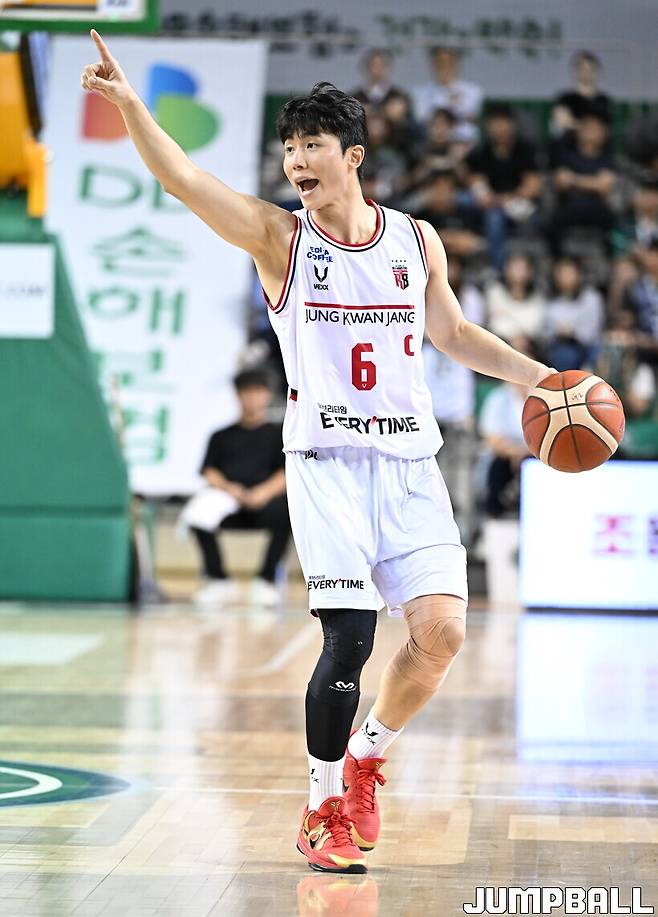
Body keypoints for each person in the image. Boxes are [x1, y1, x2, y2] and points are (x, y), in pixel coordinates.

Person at [81, 34, 554, 875]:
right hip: (326, 464)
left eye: (311, 146)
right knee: (350, 637)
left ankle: (367, 755)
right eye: (289, 148)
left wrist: (539, 377)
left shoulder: (416, 240)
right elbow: (183, 180)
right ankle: (320, 807)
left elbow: (451, 333)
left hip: (410, 467)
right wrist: (130, 105)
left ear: (353, 156)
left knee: (443, 632)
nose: (296, 161)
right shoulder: (280, 239)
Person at [191, 369, 290, 608]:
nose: (252, 398)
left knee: (288, 513)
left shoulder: (280, 434)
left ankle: (266, 580)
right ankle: (218, 580)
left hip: (265, 501)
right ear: (237, 395)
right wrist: (230, 489)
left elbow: (287, 471)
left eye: (258, 392)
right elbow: (209, 471)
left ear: (267, 395)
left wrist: (262, 493)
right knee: (196, 515)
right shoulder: (221, 436)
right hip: (229, 501)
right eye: (247, 392)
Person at [464, 103, 541, 271]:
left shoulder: (525, 150)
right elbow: (478, 184)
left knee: (494, 218)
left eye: (502, 122)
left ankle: (496, 270)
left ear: (512, 125)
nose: (498, 128)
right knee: (461, 199)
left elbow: (532, 186)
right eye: (494, 123)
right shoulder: (482, 152)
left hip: (519, 204)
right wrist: (488, 198)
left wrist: (506, 198)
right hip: (492, 203)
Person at [550, 109, 617, 251]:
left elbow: (605, 186)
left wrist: (574, 180)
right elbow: (561, 182)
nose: (591, 133)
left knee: (614, 220)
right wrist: (592, 183)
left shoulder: (608, 158)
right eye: (588, 129)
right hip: (568, 208)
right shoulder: (567, 156)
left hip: (599, 209)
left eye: (596, 129)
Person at [412, 46, 483, 144]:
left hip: (464, 142)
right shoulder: (420, 92)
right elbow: (422, 118)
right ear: (433, 65)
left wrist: (455, 106)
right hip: (431, 143)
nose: (444, 67)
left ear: (456, 64)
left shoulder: (472, 90)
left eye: (449, 62)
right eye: (440, 63)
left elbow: (472, 117)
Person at [544, 256, 604, 371]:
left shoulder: (591, 298)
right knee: (564, 354)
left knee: (597, 350)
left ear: (579, 275)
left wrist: (572, 331)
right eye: (562, 273)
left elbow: (592, 333)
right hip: (561, 347)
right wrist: (558, 332)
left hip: (588, 348)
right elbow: (546, 333)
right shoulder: (551, 302)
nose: (565, 278)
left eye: (569, 273)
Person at [414, 170, 486, 263]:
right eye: (438, 190)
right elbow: (420, 243)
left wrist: (451, 240)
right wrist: (449, 239)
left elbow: (477, 240)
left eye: (447, 189)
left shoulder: (466, 213)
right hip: (432, 263)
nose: (443, 195)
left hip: (466, 262)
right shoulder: (421, 217)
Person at [485, 252, 546, 342]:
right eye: (514, 267)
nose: (517, 272)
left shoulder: (537, 298)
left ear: (530, 272)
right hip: (498, 342)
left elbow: (534, 327)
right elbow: (495, 324)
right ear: (506, 270)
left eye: (521, 268)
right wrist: (512, 336)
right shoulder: (495, 293)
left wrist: (508, 316)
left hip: (529, 343)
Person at [552, 51, 612, 137]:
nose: (586, 73)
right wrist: (589, 129)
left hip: (598, 144)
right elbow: (561, 122)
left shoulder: (603, 100)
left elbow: (606, 128)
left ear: (597, 72)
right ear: (574, 71)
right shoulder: (564, 99)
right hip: (570, 144)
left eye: (590, 69)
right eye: (581, 69)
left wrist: (577, 125)